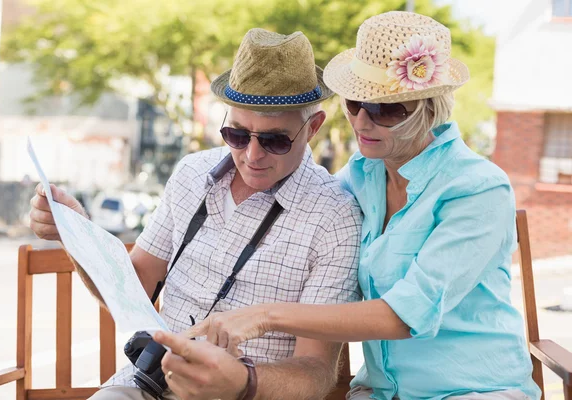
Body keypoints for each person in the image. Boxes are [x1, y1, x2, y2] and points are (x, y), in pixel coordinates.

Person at [185, 12, 542, 400]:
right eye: (355, 103)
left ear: (430, 108)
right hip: (378, 393)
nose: (362, 122)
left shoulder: (478, 189)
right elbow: (300, 216)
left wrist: (263, 317)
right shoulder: (361, 174)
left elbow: (405, 314)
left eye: (386, 110)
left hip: (475, 390)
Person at [29, 28, 362, 400]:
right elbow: (131, 288)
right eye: (237, 134)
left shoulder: (335, 216)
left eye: (274, 140)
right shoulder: (190, 172)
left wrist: (240, 380)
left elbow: (315, 374)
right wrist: (77, 233)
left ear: (313, 127)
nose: (252, 156)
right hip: (149, 383)